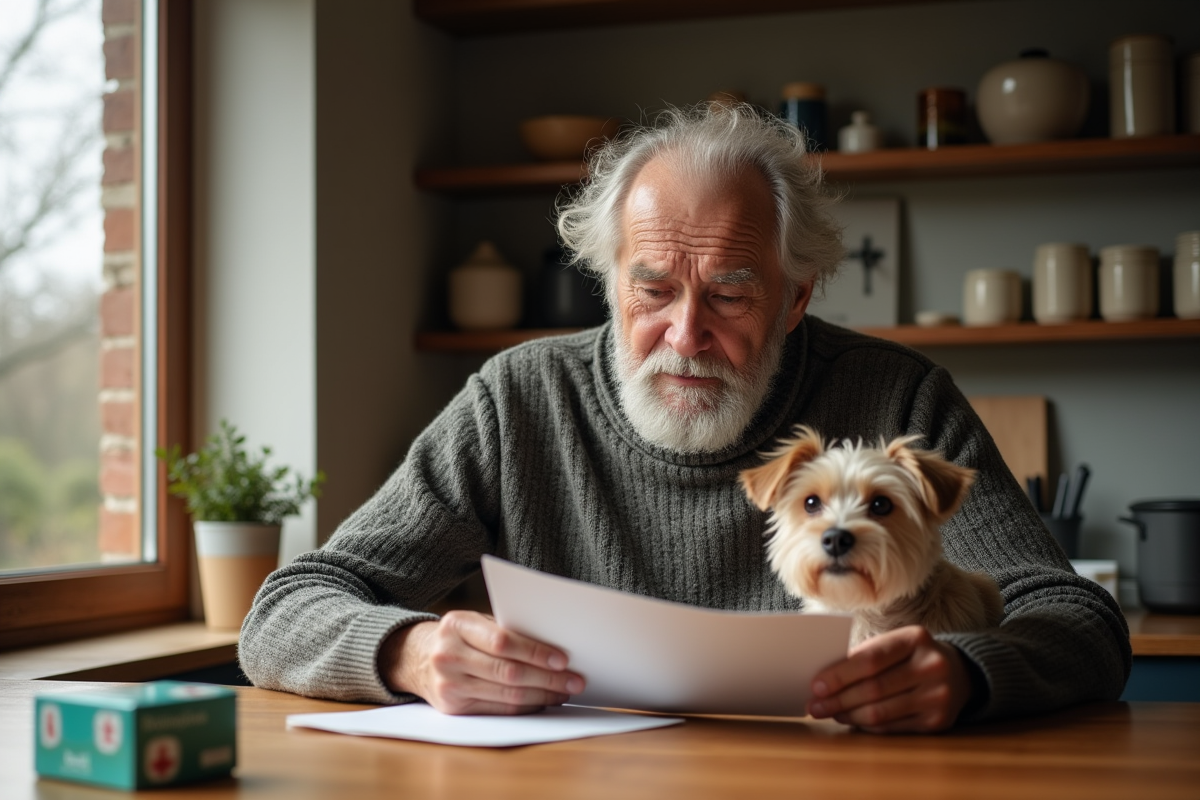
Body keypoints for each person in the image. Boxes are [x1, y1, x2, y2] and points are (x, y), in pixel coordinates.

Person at [240, 104, 1129, 733]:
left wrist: (971, 674)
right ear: (609, 282)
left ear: (795, 298)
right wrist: (409, 650)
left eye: (730, 295)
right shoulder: (516, 402)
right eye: (653, 290)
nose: (685, 334)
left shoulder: (899, 397)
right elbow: (284, 611)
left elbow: (1078, 620)